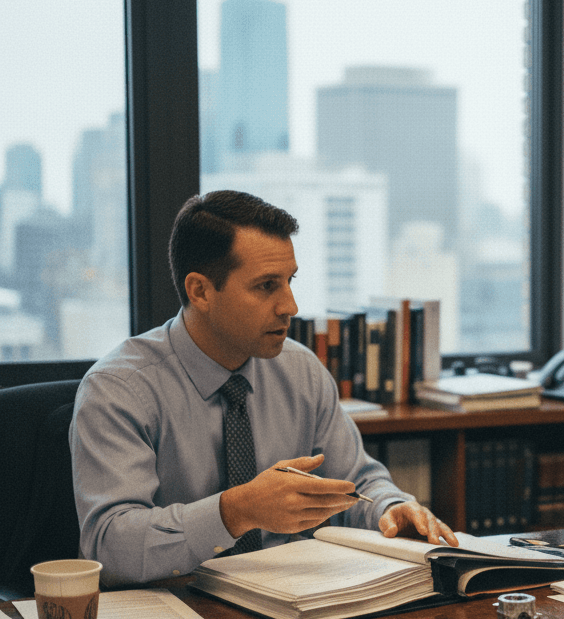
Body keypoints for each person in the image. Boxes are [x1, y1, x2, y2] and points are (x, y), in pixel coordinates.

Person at [72, 190, 456, 587]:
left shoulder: (301, 369)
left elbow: (356, 482)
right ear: (200, 291)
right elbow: (109, 545)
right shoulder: (119, 389)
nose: (290, 305)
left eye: (289, 281)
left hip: (293, 603)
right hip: (177, 608)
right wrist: (234, 512)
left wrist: (390, 507)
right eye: (266, 286)